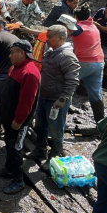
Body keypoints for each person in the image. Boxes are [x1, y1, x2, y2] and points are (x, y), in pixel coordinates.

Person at [26, 25, 80, 166]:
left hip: (56, 100)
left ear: (61, 38)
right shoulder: (51, 52)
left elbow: (72, 80)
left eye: (50, 37)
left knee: (55, 130)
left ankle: (55, 156)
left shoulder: (67, 57)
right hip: (44, 96)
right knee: (40, 125)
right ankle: (40, 150)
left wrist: (62, 99)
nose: (47, 39)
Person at [0, 40, 41, 194]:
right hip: (8, 116)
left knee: (16, 149)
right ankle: (8, 169)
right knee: (8, 142)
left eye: (13, 52)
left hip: (18, 121)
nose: (10, 55)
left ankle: (18, 180)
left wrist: (18, 120)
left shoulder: (30, 73)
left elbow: (27, 101)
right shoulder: (15, 67)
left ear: (22, 53)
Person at [71, 7, 105, 122]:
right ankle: (101, 123)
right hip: (98, 62)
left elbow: (57, 34)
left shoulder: (78, 28)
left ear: (75, 17)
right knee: (96, 93)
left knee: (64, 85)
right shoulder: (93, 26)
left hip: (84, 62)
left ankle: (57, 119)